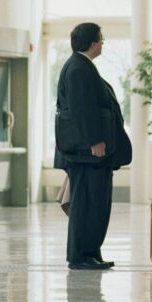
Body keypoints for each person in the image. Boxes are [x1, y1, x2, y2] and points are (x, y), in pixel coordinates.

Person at [54, 22, 132, 270]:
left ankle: (90, 252)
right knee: (87, 204)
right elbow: (82, 110)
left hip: (88, 153)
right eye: (101, 39)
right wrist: (94, 141)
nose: (103, 43)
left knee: (95, 203)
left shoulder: (82, 66)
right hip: (87, 153)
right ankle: (80, 255)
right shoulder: (78, 69)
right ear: (92, 43)